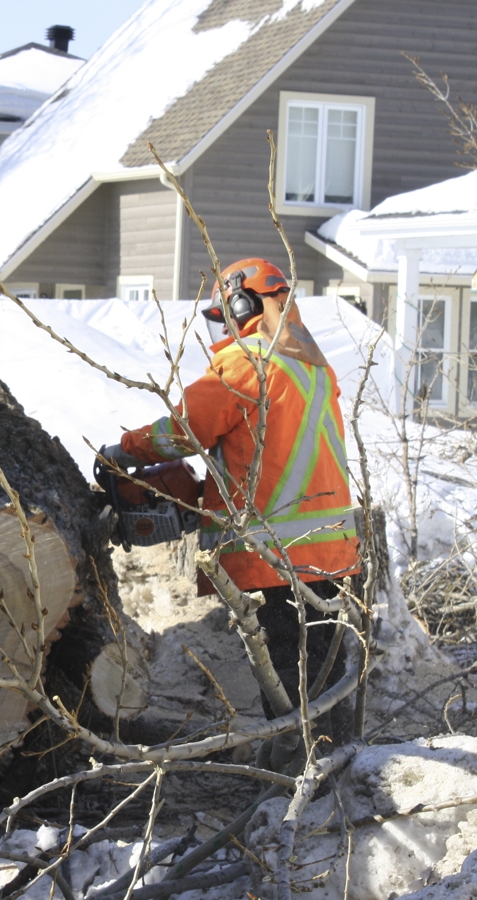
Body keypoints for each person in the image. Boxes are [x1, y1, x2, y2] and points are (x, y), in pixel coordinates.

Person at [101, 258, 359, 722]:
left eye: (228, 313)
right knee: (322, 671)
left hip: (274, 555)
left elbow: (184, 428)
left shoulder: (247, 362)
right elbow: (277, 456)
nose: (227, 326)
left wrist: (125, 449)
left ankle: (301, 772)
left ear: (245, 303)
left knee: (285, 677)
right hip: (330, 553)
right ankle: (332, 764)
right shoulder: (314, 367)